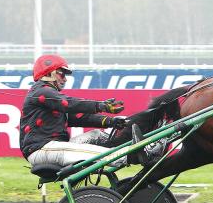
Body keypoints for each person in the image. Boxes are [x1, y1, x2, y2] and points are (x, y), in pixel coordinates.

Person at [19, 54, 160, 168]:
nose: (65, 79)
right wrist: (101, 106)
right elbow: (68, 103)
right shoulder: (42, 91)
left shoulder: (49, 95)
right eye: (62, 74)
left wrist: (111, 121)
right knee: (99, 154)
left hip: (52, 147)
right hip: (41, 150)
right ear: (49, 73)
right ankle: (136, 156)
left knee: (96, 135)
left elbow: (80, 118)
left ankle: (133, 146)